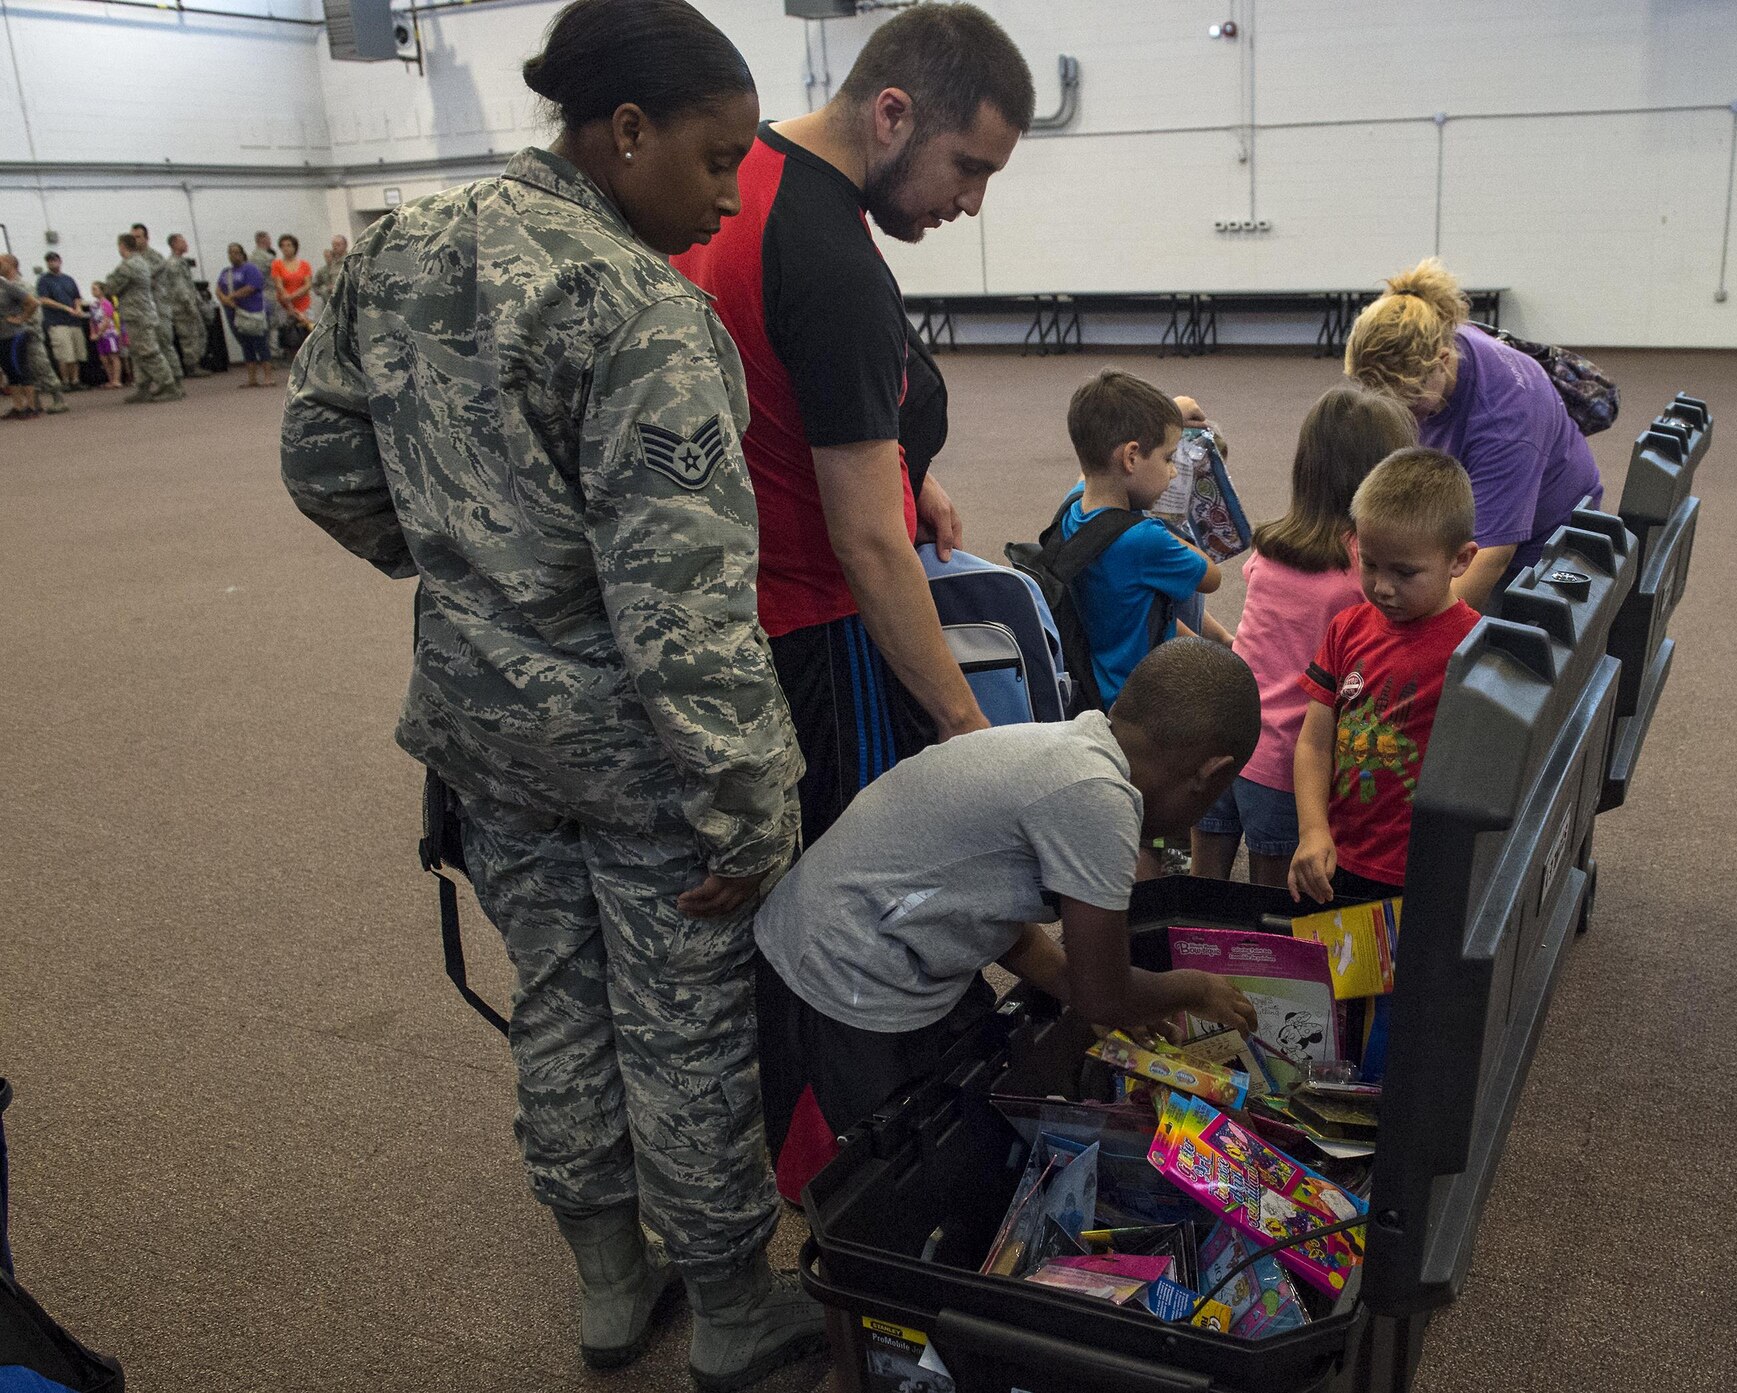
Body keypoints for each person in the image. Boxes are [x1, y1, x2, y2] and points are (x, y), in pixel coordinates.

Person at [279, 1, 823, 1384]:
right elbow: (686, 615)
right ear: (623, 131)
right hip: (641, 754)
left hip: (483, 734)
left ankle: (604, 1280)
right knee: (686, 1028)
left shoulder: (394, 249)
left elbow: (322, 463)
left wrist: (464, 564)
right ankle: (735, 1310)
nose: (723, 195)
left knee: (561, 1004)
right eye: (713, 159)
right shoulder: (641, 310)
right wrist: (752, 816)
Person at [673, 2, 1036, 851]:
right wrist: (959, 717)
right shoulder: (833, 265)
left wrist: (904, 466)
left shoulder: (748, 171)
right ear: (892, 113)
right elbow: (870, 542)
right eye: (968, 167)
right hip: (816, 633)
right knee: (863, 890)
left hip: (734, 601)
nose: (973, 203)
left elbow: (778, 377)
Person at [755, 638, 1261, 1143]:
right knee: (878, 1160)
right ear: (1210, 774)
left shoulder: (1075, 747)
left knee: (969, 1099)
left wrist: (1121, 1002)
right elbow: (1101, 994)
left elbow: (1003, 918)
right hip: (839, 968)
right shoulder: (1098, 799)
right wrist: (1195, 988)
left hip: (868, 928)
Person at [1192, 386, 1417, 888]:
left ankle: (1189, 961)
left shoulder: (1272, 548)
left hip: (1224, 736)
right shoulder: (1364, 572)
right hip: (1287, 762)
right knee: (1276, 910)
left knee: (1201, 892)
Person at [1344, 258, 1602, 609]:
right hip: (1464, 506)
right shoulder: (1437, 329)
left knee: (1450, 644)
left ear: (1442, 359)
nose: (1400, 415)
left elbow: (1491, 555)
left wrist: (1416, 640)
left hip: (1543, 548)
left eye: (1409, 404)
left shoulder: (1506, 419)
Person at [1289, 447, 1482, 905]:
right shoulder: (1347, 627)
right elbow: (1315, 742)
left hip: (1423, 873)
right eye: (1370, 563)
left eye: (1405, 572)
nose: (1382, 586)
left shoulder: (1477, 649)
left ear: (1460, 560)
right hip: (1339, 857)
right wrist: (1313, 830)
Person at [1057, 368, 1220, 708]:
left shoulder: (1072, 508)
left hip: (1093, 690)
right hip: (1144, 701)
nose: (1173, 470)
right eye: (1167, 457)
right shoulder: (1145, 539)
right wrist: (1167, 524)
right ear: (1131, 457)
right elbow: (1211, 577)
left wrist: (1167, 415)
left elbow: (1089, 471)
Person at [101, 233, 182, 403]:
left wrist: (107, 283)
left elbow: (110, 287)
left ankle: (169, 385)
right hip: (141, 313)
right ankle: (143, 387)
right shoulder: (141, 262)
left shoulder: (128, 266)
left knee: (149, 352)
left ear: (122, 246)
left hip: (137, 314)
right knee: (137, 354)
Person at [0, 254, 69, 417]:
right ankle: (32, 404)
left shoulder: (22, 285)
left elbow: (35, 310)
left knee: (41, 366)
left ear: (11, 264)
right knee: (22, 370)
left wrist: (23, 323)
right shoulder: (5, 286)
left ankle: (58, 398)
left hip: (29, 334)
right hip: (10, 336)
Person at [128, 224, 185, 385]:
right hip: (141, 309)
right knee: (142, 349)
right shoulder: (132, 259)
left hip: (159, 306)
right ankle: (145, 385)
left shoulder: (155, 257)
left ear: (146, 238)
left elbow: (144, 276)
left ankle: (176, 381)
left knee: (164, 343)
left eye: (138, 237)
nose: (135, 240)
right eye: (132, 237)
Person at [214, 243, 274, 387]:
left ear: (242, 254)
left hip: (253, 312)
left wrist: (232, 296)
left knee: (260, 343)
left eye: (236, 252)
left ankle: (268, 377)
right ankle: (252, 378)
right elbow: (218, 289)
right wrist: (225, 299)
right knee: (246, 345)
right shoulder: (226, 272)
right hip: (235, 314)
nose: (233, 255)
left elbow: (251, 287)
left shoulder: (250, 269)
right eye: (230, 252)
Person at [163, 234, 216, 378]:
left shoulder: (181, 262)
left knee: (198, 333)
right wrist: (189, 305)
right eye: (182, 241)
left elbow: (189, 285)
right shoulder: (173, 264)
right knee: (188, 336)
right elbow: (180, 288)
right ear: (174, 244)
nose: (186, 244)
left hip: (189, 303)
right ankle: (192, 366)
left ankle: (195, 363)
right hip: (182, 307)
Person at [36, 252, 89, 391]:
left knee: (77, 353)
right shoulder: (44, 280)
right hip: (57, 322)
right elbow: (43, 299)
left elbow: (77, 297)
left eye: (54, 260)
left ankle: (75, 380)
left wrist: (77, 307)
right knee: (64, 354)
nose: (52, 263)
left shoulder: (68, 279)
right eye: (49, 261)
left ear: (60, 261)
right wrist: (65, 308)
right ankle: (65, 381)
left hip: (74, 321)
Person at [268, 235, 312, 356]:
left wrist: (293, 296)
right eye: (283, 246)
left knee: (307, 333)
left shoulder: (304, 264)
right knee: (290, 336)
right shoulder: (277, 264)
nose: (286, 248)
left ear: (295, 247)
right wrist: (289, 305)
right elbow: (279, 285)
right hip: (285, 306)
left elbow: (307, 284)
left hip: (303, 305)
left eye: (289, 245)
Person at [88, 283, 126, 389]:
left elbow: (107, 320)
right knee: (104, 358)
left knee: (113, 356)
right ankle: (110, 379)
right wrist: (93, 333)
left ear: (101, 290)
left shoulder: (107, 303)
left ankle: (116, 380)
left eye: (95, 289)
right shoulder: (94, 305)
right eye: (92, 289)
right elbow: (92, 320)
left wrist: (99, 333)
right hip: (99, 335)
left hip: (109, 334)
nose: (92, 291)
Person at [312, 234, 348, 305]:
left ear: (345, 245)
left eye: (338, 245)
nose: (335, 247)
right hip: (332, 305)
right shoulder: (330, 265)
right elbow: (315, 285)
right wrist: (325, 290)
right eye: (333, 245)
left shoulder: (352, 260)